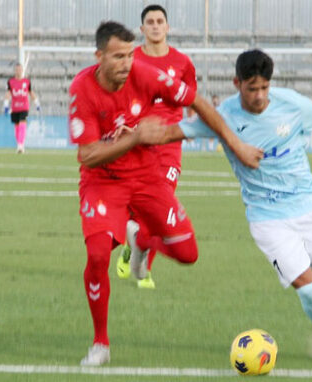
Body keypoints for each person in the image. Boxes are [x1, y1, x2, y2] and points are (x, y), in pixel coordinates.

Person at [155, 49, 312, 364]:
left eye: (264, 88)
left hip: (311, 208)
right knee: (307, 289)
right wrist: (129, 135)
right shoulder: (222, 117)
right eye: (252, 89)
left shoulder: (292, 104)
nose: (260, 96)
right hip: (267, 218)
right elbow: (171, 132)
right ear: (237, 83)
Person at [69, 21, 262, 366]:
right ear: (99, 56)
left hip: (147, 177)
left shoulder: (146, 75)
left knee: (188, 254)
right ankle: (100, 343)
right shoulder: (82, 88)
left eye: (129, 54)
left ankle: (143, 240)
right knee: (98, 254)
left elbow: (197, 103)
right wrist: (134, 138)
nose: (126, 63)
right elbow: (87, 155)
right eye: (117, 56)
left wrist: (237, 144)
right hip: (103, 182)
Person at [115, 4, 198, 289]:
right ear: (142, 29)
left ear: (167, 27)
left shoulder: (183, 63)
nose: (155, 25)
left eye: (159, 21)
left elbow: (191, 102)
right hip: (137, 140)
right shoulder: (130, 60)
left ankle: (145, 269)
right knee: (136, 208)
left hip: (169, 145)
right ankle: (133, 245)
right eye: (149, 21)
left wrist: (194, 127)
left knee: (161, 209)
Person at [3, 63, 40, 154]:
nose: (18, 71)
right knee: (17, 126)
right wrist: (6, 104)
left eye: (20, 70)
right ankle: (19, 144)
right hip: (15, 107)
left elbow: (31, 93)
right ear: (15, 71)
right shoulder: (10, 81)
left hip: (24, 107)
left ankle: (20, 145)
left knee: (22, 122)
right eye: (17, 70)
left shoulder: (27, 82)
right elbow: (8, 93)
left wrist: (37, 103)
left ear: (22, 70)